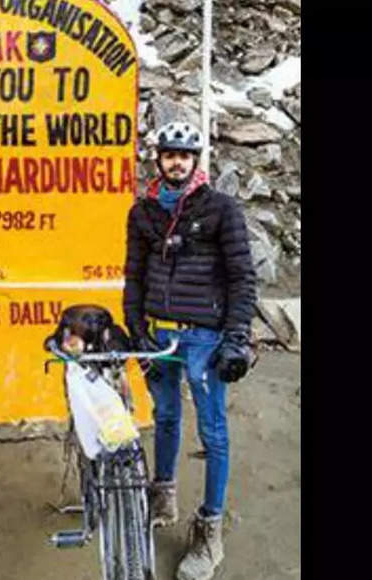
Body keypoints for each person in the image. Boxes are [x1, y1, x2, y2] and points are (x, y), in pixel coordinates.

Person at [121, 121, 257, 580]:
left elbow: (242, 276)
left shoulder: (221, 209)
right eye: (168, 154)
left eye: (185, 154)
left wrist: (236, 336)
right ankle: (164, 495)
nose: (176, 161)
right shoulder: (142, 213)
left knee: (213, 431)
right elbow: (134, 275)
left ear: (196, 160)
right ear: (157, 159)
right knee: (163, 417)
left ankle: (209, 531)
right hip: (160, 336)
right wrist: (135, 327)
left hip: (206, 337)